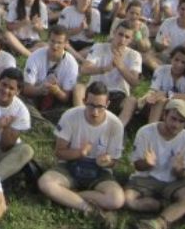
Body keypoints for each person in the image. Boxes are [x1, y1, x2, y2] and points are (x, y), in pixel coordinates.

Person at [38, 82, 125, 227]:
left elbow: (115, 161)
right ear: (84, 101)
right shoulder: (70, 116)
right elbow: (59, 152)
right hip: (70, 165)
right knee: (45, 182)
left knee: (117, 199)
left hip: (99, 170)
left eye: (100, 107)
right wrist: (79, 153)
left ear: (107, 104)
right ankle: (89, 209)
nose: (95, 112)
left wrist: (108, 162)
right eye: (91, 105)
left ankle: (68, 197)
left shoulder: (115, 124)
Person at [125, 100, 185, 229]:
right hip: (145, 178)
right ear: (164, 115)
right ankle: (168, 207)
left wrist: (179, 170)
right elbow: (137, 165)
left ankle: (159, 223)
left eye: (181, 122)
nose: (176, 125)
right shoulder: (145, 132)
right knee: (127, 201)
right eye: (173, 119)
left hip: (172, 181)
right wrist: (147, 163)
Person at [75, 20, 141, 127]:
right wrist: (104, 69)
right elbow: (84, 69)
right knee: (79, 88)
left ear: (131, 40)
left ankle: (118, 128)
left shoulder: (134, 55)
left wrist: (120, 66)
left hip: (118, 94)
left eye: (127, 37)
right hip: (95, 92)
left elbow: (134, 82)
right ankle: (81, 121)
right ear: (114, 33)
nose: (122, 39)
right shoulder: (99, 47)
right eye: (120, 34)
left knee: (132, 101)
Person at [22, 26, 79, 122]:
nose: (54, 46)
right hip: (35, 95)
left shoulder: (71, 64)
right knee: (20, 100)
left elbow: (66, 97)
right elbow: (26, 89)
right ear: (48, 40)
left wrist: (56, 91)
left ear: (65, 44)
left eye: (59, 43)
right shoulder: (35, 56)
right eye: (52, 41)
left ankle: (40, 119)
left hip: (57, 100)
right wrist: (40, 90)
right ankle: (41, 119)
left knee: (67, 111)